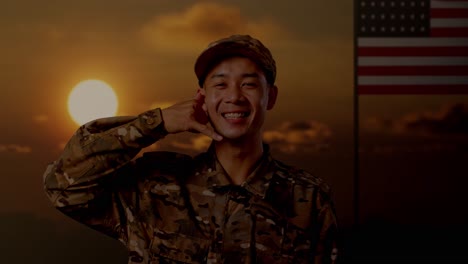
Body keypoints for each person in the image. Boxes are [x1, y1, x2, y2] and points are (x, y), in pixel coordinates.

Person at [43, 35, 339, 263]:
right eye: (220, 85)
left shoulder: (309, 200)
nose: (234, 96)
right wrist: (157, 122)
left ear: (270, 96)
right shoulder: (155, 186)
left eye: (249, 84)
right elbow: (64, 185)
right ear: (202, 98)